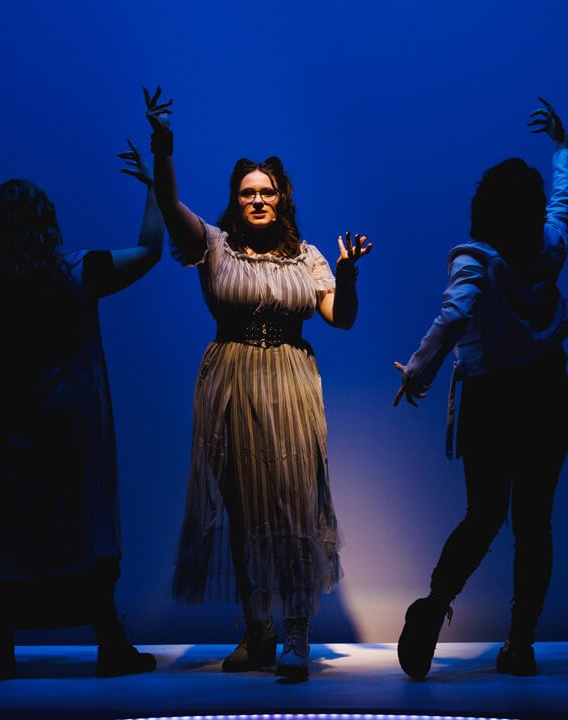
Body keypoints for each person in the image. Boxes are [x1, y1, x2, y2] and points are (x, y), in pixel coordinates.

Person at [143, 86, 372, 681]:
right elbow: (170, 207)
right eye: (248, 193)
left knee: (294, 505)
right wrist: (162, 144)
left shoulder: (308, 257)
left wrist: (345, 278)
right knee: (245, 511)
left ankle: (296, 632)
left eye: (267, 192)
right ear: (235, 201)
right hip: (232, 379)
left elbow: (339, 318)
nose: (258, 200)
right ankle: (258, 631)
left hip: (292, 380)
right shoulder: (214, 248)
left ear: (282, 198)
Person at [0, 144, 163, 681]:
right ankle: (110, 645)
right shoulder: (79, 270)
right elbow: (147, 251)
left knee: (6, 531)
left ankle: (0, 651)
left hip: (8, 430)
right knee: (85, 526)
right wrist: (153, 188)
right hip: (72, 427)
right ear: (47, 221)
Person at [392, 99, 568, 680]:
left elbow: (452, 318)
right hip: (547, 394)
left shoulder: (476, 260)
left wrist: (417, 372)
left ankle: (432, 608)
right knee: (535, 522)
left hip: (494, 402)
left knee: (483, 515)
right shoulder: (546, 249)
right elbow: (563, 205)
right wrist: (562, 149)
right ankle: (520, 642)